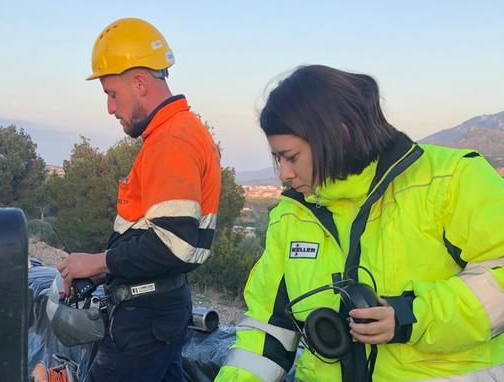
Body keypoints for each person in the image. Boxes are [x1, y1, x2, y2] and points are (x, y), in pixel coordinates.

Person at [215, 65, 504, 381]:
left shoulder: (453, 180)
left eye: (292, 157)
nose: (283, 174)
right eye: (277, 159)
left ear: (339, 136)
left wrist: (413, 316)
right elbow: (267, 328)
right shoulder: (291, 215)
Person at [57, 17, 221, 382]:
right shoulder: (174, 134)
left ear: (140, 82)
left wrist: (98, 261)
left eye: (112, 94)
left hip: (145, 319)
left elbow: (172, 245)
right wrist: (100, 269)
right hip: (158, 311)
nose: (110, 109)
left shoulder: (171, 142)